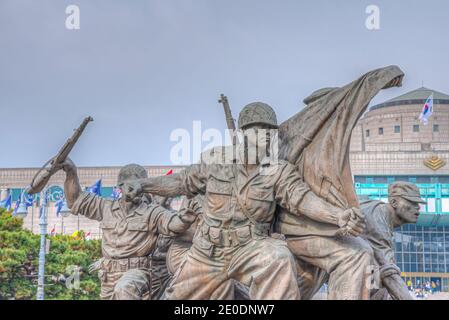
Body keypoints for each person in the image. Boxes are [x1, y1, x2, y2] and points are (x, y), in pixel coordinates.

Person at [136, 102, 364, 300]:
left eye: (270, 129)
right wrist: (143, 185)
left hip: (251, 247)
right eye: (260, 128)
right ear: (244, 133)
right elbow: (181, 182)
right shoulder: (217, 160)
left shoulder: (278, 170)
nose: (267, 133)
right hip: (208, 252)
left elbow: (302, 198)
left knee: (278, 257)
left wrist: (338, 215)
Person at [60, 160, 200, 300]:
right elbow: (75, 200)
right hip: (108, 276)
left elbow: (174, 224)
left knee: (124, 289)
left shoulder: (152, 212)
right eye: (132, 185)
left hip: (138, 273)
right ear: (120, 186)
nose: (137, 189)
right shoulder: (105, 207)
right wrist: (71, 172)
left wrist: (187, 213)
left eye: (141, 185)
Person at [360, 181, 426, 300]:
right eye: (412, 202)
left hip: (346, 266)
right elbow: (388, 271)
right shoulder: (378, 217)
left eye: (418, 203)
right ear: (394, 202)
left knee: (377, 280)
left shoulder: (383, 216)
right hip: (326, 259)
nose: (418, 207)